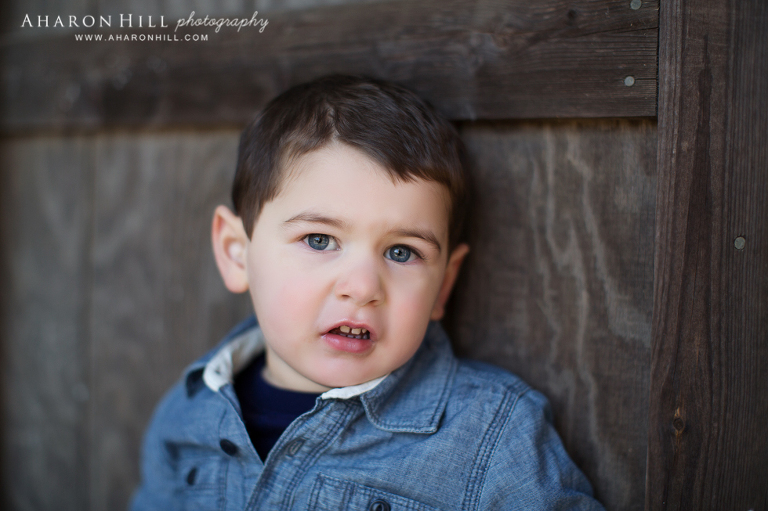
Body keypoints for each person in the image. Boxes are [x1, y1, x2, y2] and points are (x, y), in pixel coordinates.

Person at [131, 75, 604, 510]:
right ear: (237, 254)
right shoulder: (186, 416)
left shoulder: (492, 435)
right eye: (320, 240)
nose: (362, 288)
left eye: (401, 252)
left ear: (444, 284)